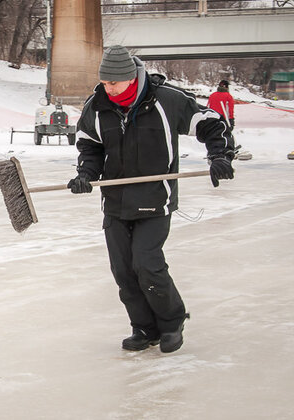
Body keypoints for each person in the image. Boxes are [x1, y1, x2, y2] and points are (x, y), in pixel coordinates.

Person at [68, 45, 235, 354]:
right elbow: (89, 146)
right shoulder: (97, 105)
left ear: (131, 77)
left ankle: (171, 323)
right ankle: (144, 327)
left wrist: (219, 156)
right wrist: (85, 174)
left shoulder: (166, 100)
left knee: (147, 263)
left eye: (114, 83)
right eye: (105, 82)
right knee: (123, 270)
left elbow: (210, 123)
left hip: (155, 197)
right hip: (115, 200)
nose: (109, 88)